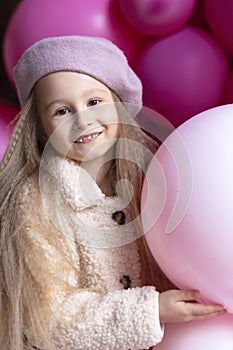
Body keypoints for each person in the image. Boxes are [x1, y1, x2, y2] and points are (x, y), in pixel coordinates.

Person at [0, 35, 226, 350]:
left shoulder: (153, 174)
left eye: (94, 102)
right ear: (40, 128)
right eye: (62, 111)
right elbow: (48, 318)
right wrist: (152, 310)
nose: (83, 120)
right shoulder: (38, 202)